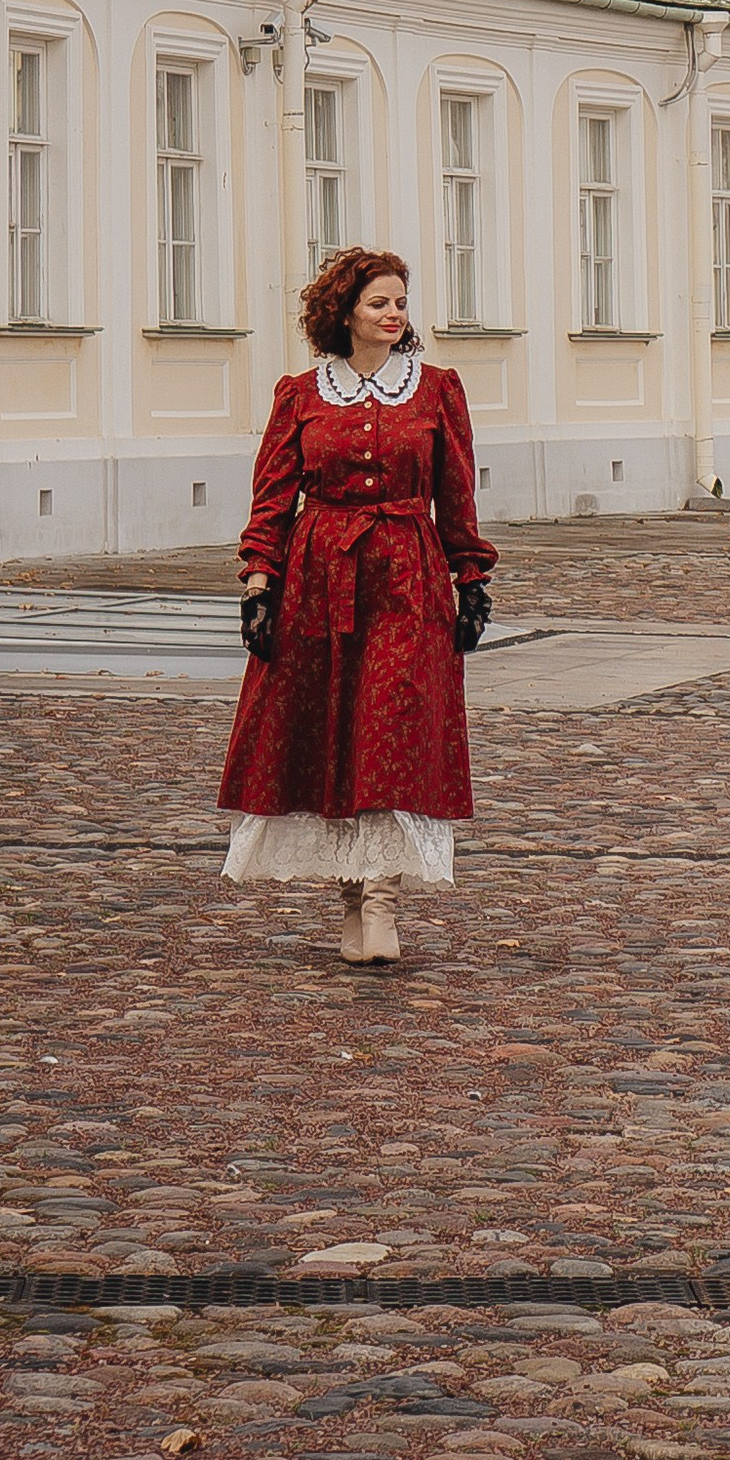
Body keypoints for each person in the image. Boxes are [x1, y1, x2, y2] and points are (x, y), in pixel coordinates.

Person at [220, 245, 496, 966]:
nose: (395, 314)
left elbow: (457, 491)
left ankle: (381, 900)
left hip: (408, 576)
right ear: (343, 313)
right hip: (320, 579)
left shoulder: (436, 389)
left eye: (401, 303)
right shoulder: (301, 395)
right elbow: (273, 499)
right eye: (380, 303)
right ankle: (349, 901)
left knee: (390, 729)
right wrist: (259, 585)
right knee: (333, 736)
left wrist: (472, 577)